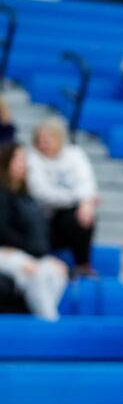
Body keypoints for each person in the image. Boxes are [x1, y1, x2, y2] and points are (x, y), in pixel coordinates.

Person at [0, 142, 68, 320]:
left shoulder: (29, 197)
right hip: (6, 252)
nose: (23, 164)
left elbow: (39, 233)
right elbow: (4, 232)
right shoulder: (2, 195)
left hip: (30, 254)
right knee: (36, 273)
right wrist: (28, 255)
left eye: (25, 159)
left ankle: (44, 319)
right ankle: (50, 323)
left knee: (57, 272)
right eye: (18, 159)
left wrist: (45, 256)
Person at [26, 117, 98, 277]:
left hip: (66, 215)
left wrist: (86, 202)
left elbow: (87, 185)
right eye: (41, 139)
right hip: (42, 216)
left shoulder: (74, 154)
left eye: (48, 139)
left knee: (85, 215)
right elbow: (42, 193)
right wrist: (80, 198)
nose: (44, 143)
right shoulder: (33, 158)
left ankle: (83, 265)